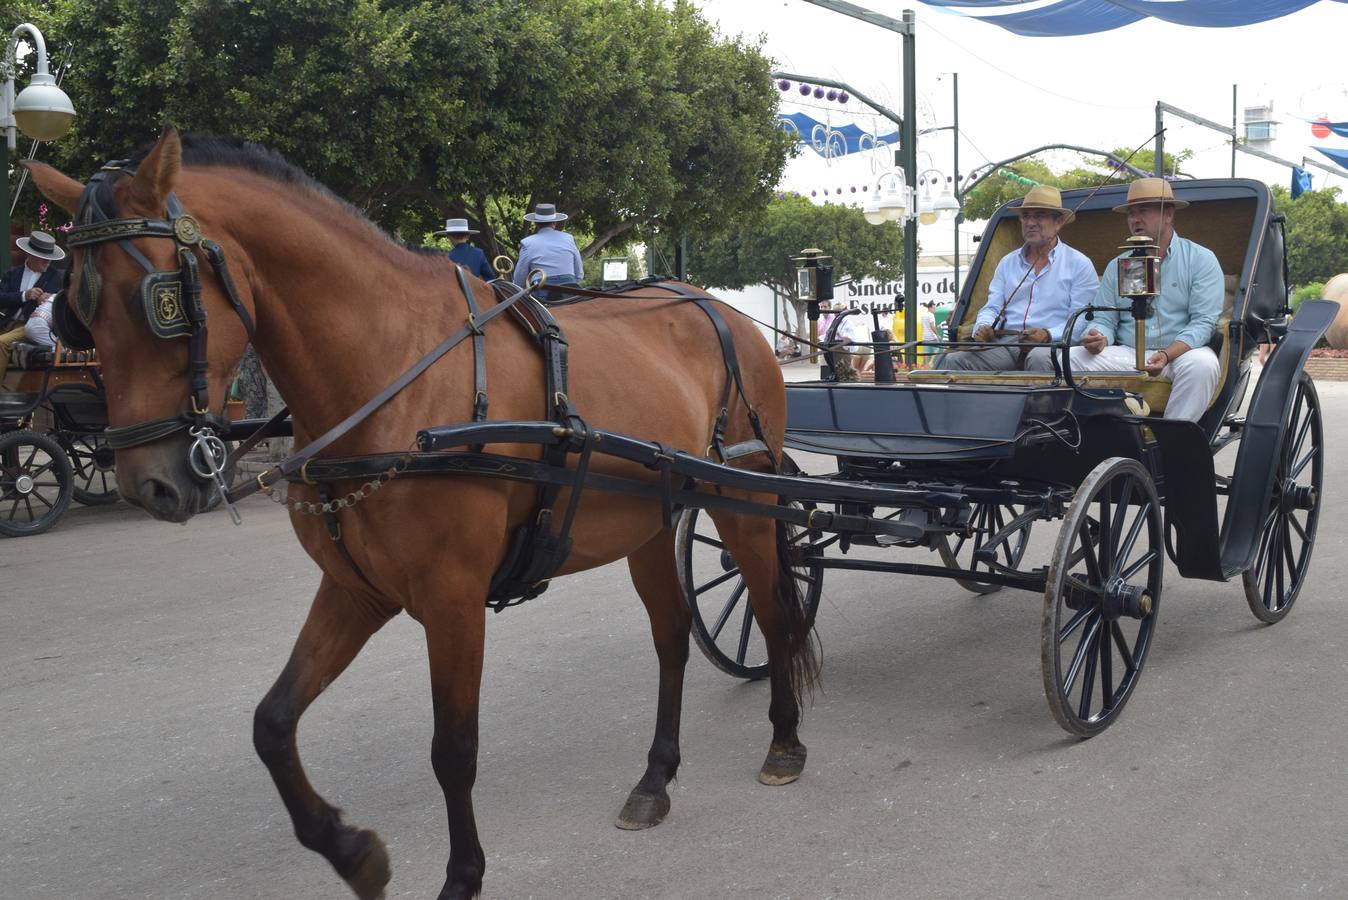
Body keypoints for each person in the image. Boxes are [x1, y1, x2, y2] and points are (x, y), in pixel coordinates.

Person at [1032, 177, 1222, 422]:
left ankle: (1173, 436)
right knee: (1066, 359)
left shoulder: (1200, 259)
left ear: (1168, 215)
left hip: (1179, 354)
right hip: (1128, 352)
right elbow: (1104, 319)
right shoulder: (1117, 266)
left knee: (1204, 365)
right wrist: (1098, 336)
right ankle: (1097, 430)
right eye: (1131, 213)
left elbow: (1203, 322)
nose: (1135, 219)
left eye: (1144, 210)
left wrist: (1167, 355)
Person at [937, 185, 1098, 371]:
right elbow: (992, 306)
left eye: (1039, 216)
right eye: (1026, 216)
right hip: (1008, 342)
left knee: (1039, 359)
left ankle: (1040, 401)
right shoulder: (1007, 262)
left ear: (1059, 222)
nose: (1030, 223)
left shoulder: (1079, 264)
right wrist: (983, 327)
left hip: (1054, 345)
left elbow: (1080, 321)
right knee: (952, 359)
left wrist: (1047, 334)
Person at [0, 230, 66, 382]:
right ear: (31, 255)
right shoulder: (13, 274)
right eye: (44, 259)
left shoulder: (57, 277)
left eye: (49, 259)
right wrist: (24, 295)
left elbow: (64, 302)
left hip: (31, 326)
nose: (48, 263)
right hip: (6, 323)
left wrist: (50, 299)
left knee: (1, 343)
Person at [512, 203, 583, 289]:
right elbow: (579, 272)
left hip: (542, 286)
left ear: (536, 223)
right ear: (555, 222)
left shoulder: (527, 243)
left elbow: (520, 278)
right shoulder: (568, 238)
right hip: (570, 286)